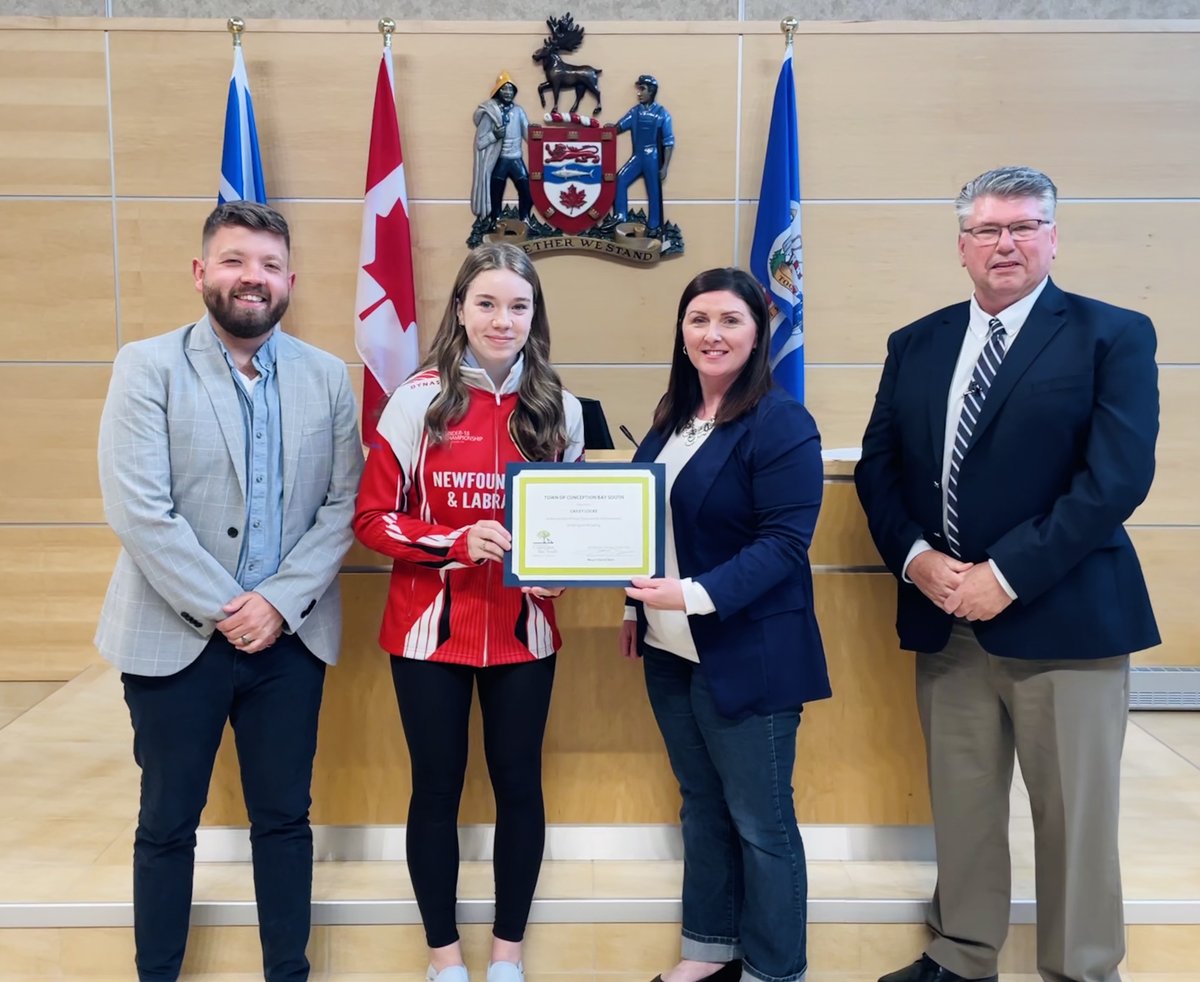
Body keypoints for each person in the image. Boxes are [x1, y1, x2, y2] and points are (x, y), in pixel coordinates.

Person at [855, 166, 1160, 982]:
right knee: (963, 808)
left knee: (1075, 819)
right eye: (989, 229)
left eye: (1026, 226)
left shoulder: (1111, 335)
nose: (1007, 243)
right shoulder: (916, 343)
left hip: (1066, 622)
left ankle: (1083, 967)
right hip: (947, 621)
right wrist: (919, 561)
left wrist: (1006, 575)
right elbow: (880, 470)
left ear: (1054, 238)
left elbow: (1116, 481)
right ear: (961, 246)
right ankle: (962, 953)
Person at [95, 201, 364, 981]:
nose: (254, 278)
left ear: (290, 280)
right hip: (173, 639)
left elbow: (343, 503)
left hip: (289, 642)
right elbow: (140, 510)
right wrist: (228, 608)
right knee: (167, 822)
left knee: (284, 818)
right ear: (201, 271)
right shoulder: (147, 367)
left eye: (270, 266)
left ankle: (288, 970)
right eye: (236, 261)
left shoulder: (326, 377)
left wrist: (276, 604)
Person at [353, 242, 584, 982]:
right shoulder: (415, 400)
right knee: (437, 786)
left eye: (519, 306)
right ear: (460, 310)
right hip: (428, 632)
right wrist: (452, 541)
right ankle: (444, 957)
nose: (502, 319)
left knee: (520, 785)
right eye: (486, 303)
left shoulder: (561, 409)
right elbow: (372, 520)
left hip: (526, 635)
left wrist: (558, 579)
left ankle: (507, 957)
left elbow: (574, 531)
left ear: (534, 316)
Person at [619, 267, 830, 982]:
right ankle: (710, 951)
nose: (712, 334)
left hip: (748, 651)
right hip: (669, 651)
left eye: (730, 320)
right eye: (699, 319)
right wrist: (635, 607)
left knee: (763, 824)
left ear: (757, 333)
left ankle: (775, 969)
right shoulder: (670, 421)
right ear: (681, 332)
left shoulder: (781, 421)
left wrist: (694, 594)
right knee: (702, 806)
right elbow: (644, 529)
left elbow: (784, 544)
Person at [612, 74, 675, 233]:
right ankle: (620, 217)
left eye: (643, 89)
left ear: (651, 91)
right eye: (638, 89)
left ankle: (654, 225)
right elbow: (619, 127)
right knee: (621, 178)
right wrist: (607, 130)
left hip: (652, 158)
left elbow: (668, 141)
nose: (639, 93)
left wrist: (665, 167)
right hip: (638, 156)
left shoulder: (662, 113)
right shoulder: (635, 112)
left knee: (654, 190)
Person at [472, 72, 533, 225]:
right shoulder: (490, 113)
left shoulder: (518, 111)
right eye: (504, 89)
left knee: (527, 189)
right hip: (499, 159)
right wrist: (494, 135)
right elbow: (480, 142)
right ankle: (495, 219)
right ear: (498, 91)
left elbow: (529, 134)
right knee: (495, 191)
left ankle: (524, 218)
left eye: (511, 89)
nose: (508, 92)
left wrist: (543, 139)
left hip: (516, 159)